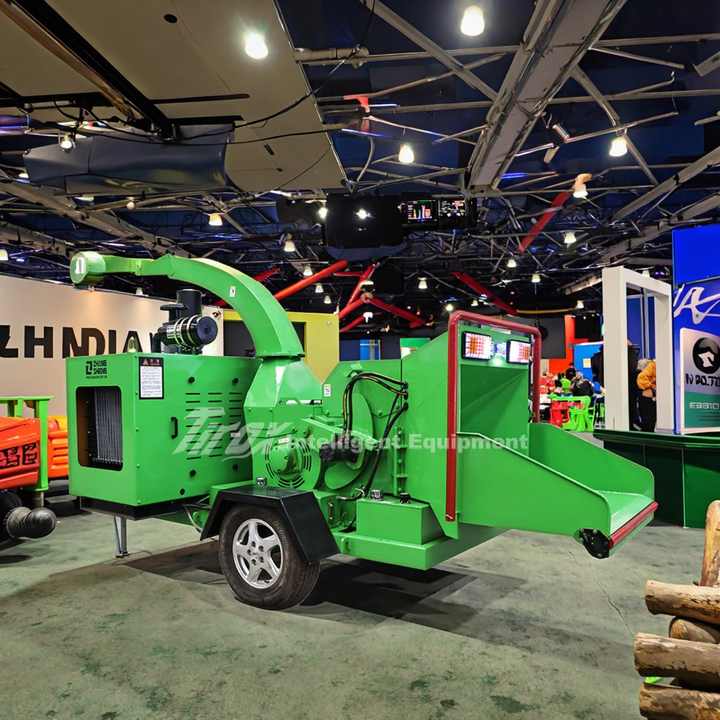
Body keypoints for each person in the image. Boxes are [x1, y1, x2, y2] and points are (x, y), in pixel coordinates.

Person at [637, 359, 657, 432]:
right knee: (648, 424)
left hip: (649, 397)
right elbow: (641, 378)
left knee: (650, 424)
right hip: (648, 398)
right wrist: (652, 388)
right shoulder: (653, 365)